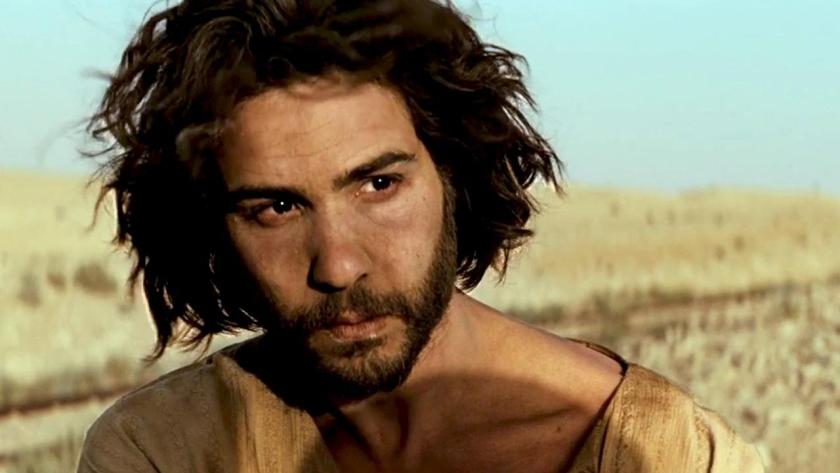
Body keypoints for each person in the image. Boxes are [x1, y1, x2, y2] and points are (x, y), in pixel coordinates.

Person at [76, 0, 764, 471]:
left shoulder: (671, 454)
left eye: (379, 185)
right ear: (214, 229)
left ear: (453, 173)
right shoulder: (164, 450)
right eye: (277, 207)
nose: (338, 265)